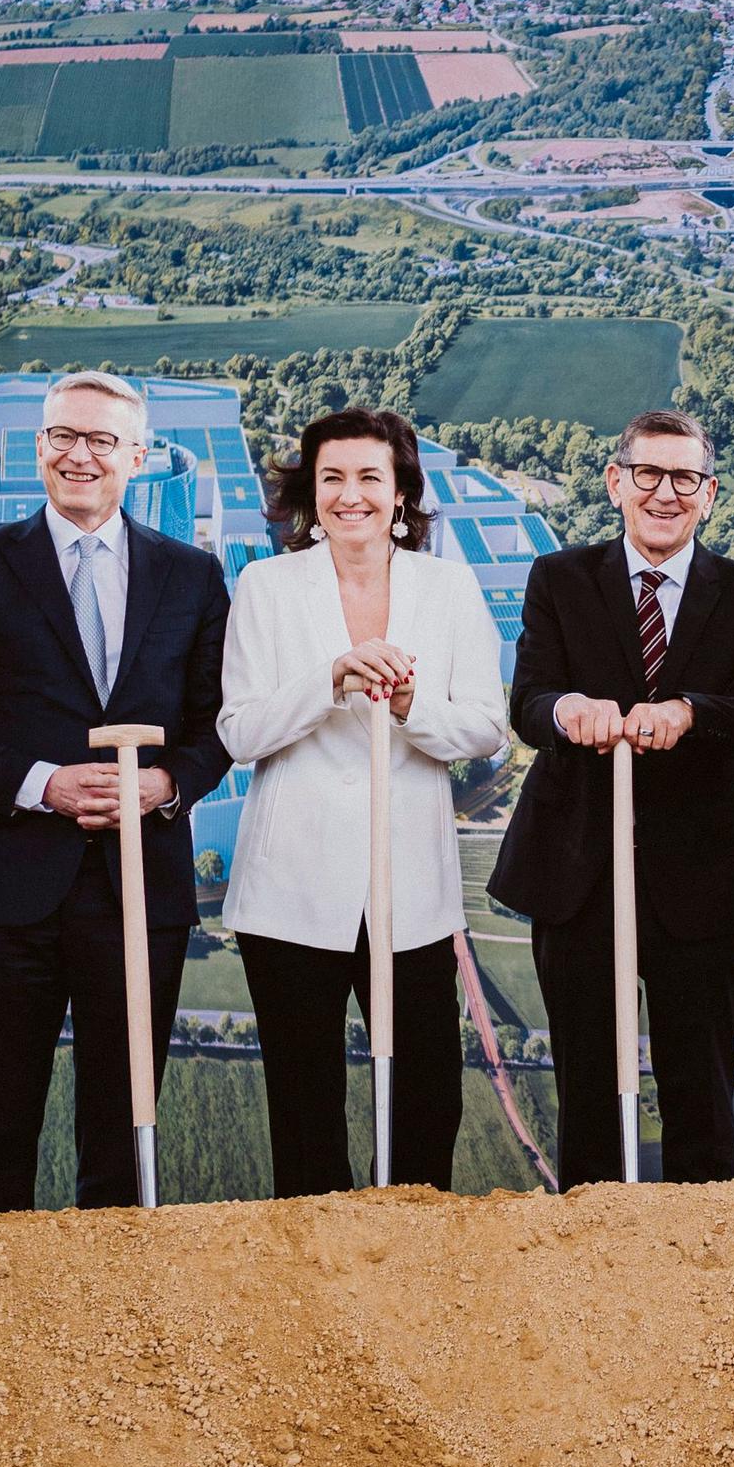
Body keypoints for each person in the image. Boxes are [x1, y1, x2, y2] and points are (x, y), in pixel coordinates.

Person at [0, 370, 231, 1214]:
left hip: (137, 890)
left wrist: (164, 784)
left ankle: (112, 1319)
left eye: (101, 440)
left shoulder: (191, 577)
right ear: (39, 447)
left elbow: (217, 724)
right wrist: (40, 784)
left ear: (138, 455)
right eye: (62, 438)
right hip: (3, 890)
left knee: (124, 1134)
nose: (79, 456)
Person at [219, 408, 511, 1194]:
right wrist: (331, 680)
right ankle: (317, 1289)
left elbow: (487, 726)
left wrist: (413, 704)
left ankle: (412, 1276)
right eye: (333, 479)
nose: (352, 495)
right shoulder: (265, 586)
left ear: (403, 494)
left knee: (425, 1102)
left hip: (408, 890)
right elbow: (240, 731)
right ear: (308, 494)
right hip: (289, 889)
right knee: (305, 1107)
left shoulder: (448, 587)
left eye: (370, 478)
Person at [492, 410, 734, 1188]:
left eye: (684, 478)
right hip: (577, 869)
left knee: (701, 1089)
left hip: (700, 877)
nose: (666, 493)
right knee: (589, 1087)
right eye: (648, 474)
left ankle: (705, 1273)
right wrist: (567, 713)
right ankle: (593, 1277)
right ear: (615, 482)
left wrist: (689, 712)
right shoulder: (559, 579)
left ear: (710, 493)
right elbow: (529, 701)